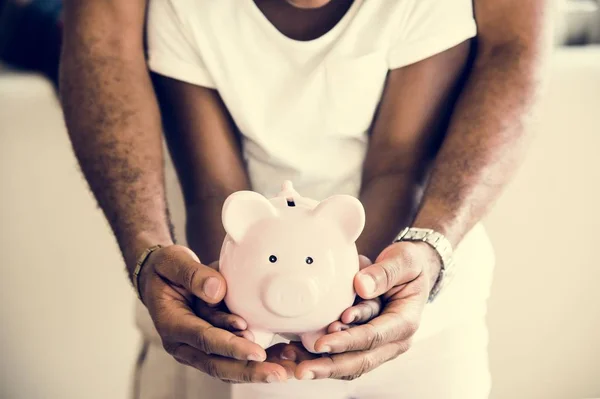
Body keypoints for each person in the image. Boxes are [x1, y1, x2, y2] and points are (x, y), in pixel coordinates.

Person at [59, 0, 551, 398]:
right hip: (210, 312)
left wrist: (355, 303)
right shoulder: (184, 11)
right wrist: (235, 315)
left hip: (412, 303)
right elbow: (213, 191)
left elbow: (398, 168)